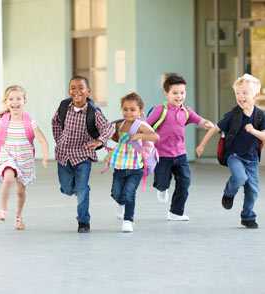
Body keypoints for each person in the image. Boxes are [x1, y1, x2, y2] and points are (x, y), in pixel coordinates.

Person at [196, 74, 265, 229]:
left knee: (253, 190)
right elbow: (215, 128)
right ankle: (229, 193)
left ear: (255, 95)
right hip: (234, 156)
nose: (240, 96)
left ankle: (247, 217)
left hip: (252, 159)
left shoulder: (260, 115)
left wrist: (253, 131)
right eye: (238, 93)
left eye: (245, 93)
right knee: (240, 177)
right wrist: (202, 145)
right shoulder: (233, 115)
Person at [0, 85, 49, 230]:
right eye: (11, 99)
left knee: (20, 192)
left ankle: (18, 217)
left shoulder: (29, 121)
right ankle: (2, 210)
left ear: (24, 100)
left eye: (18, 98)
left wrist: (45, 157)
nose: (15, 102)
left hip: (25, 159)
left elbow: (42, 139)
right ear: (6, 102)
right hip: (8, 155)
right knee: (8, 178)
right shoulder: (2, 121)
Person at [147, 73, 214, 221]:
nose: (179, 96)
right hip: (162, 155)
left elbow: (199, 120)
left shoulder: (186, 111)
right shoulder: (160, 110)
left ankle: (176, 212)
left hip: (180, 154)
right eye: (175, 93)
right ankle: (161, 188)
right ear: (167, 93)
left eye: (182, 93)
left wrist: (207, 124)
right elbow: (146, 125)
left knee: (185, 182)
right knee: (162, 182)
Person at [52, 75, 114, 233]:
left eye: (81, 88)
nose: (77, 91)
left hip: (82, 155)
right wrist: (59, 139)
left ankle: (83, 222)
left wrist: (100, 141)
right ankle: (74, 189)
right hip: (63, 154)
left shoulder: (93, 112)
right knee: (66, 188)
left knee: (82, 188)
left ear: (88, 92)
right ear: (69, 91)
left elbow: (109, 128)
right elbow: (56, 122)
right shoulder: (64, 106)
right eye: (73, 88)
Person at [107, 92, 158, 232]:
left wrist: (141, 135)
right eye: (125, 109)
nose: (128, 112)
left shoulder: (140, 125)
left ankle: (128, 220)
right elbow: (119, 140)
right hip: (120, 166)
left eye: (132, 109)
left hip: (135, 167)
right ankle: (121, 204)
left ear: (140, 111)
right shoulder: (120, 125)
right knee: (116, 193)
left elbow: (156, 137)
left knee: (129, 193)